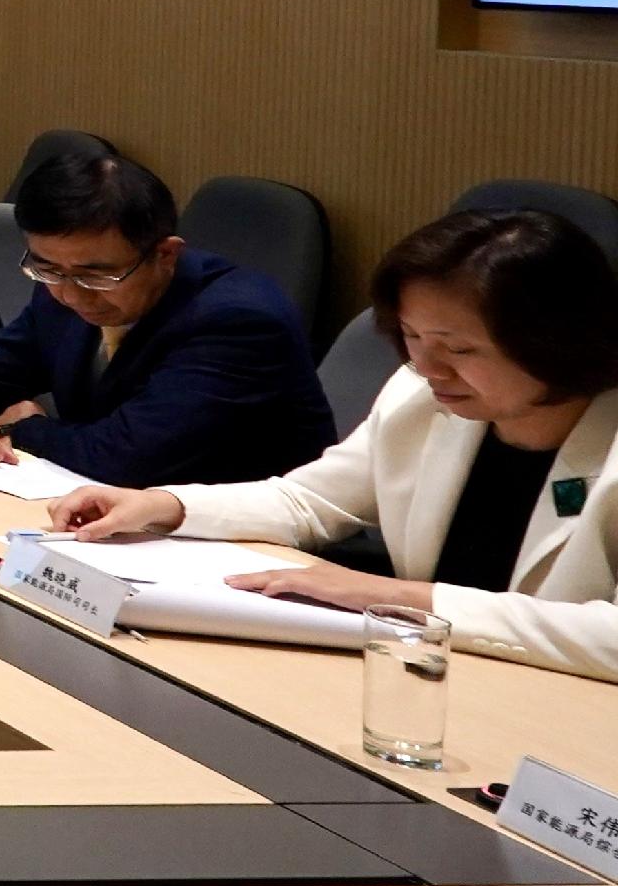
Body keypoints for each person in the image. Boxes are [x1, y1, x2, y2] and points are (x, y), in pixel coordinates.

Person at [49, 211, 618, 680]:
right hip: (429, 672)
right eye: (412, 337)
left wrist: (397, 596)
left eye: (459, 349)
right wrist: (165, 507)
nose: (425, 365)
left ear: (558, 341)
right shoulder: (421, 400)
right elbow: (308, 503)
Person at [0, 151, 329, 489]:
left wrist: (25, 429)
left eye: (97, 275)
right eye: (47, 268)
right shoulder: (61, 283)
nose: (71, 294)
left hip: (243, 550)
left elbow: (126, 459)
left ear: (165, 254)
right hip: (107, 515)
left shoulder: (239, 320)